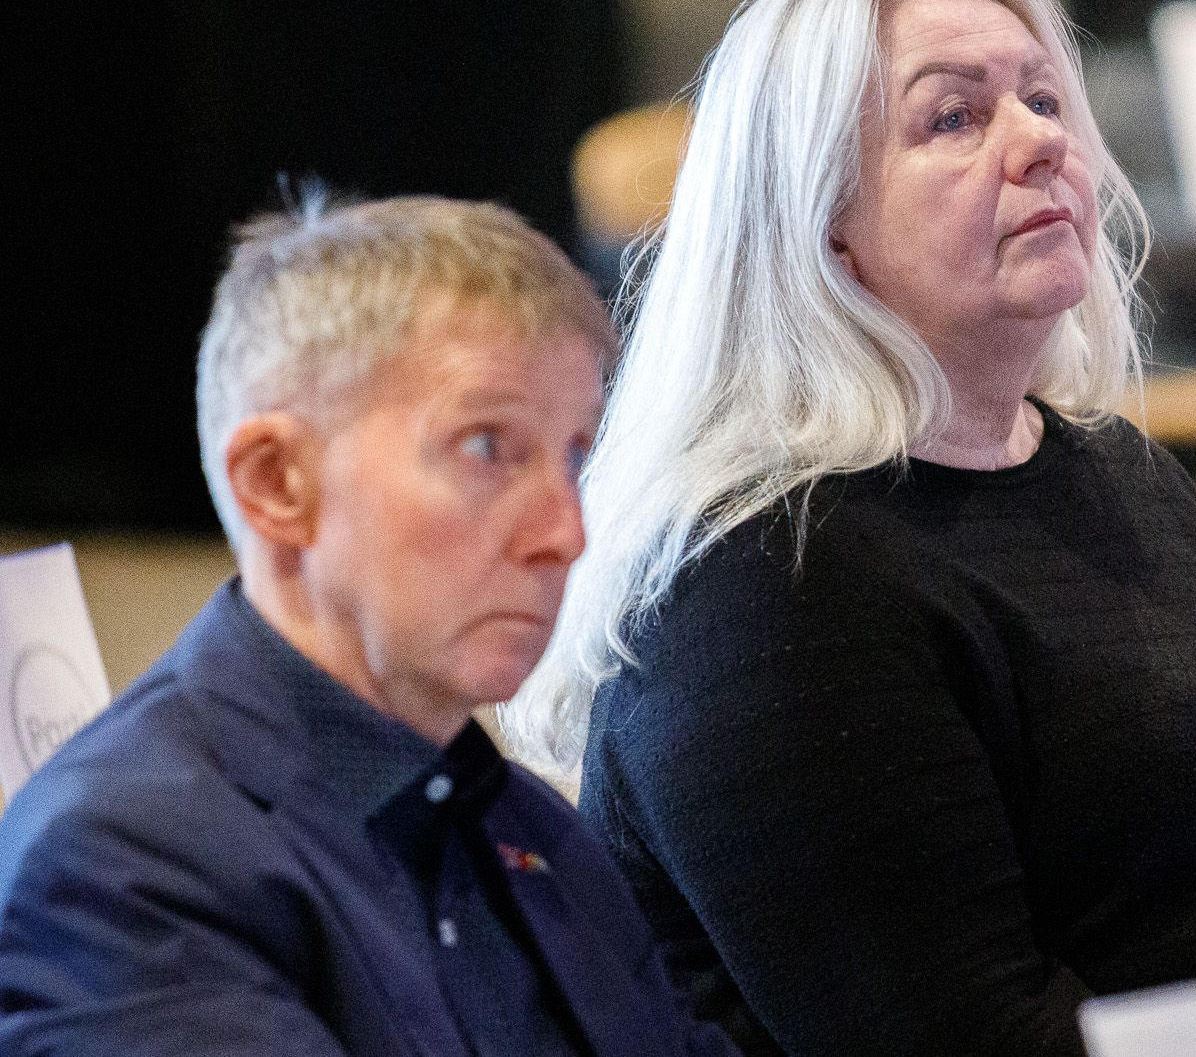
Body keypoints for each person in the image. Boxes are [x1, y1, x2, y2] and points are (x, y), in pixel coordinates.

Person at [503, 0, 1196, 1057]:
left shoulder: (1121, 475)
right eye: (953, 118)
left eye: (1044, 99)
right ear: (821, 226)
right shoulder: (763, 587)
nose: (1041, 142)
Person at [0, 194, 736, 1057]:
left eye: (574, 456)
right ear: (278, 482)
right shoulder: (127, 861)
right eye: (487, 445)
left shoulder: (535, 831)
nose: (565, 532)